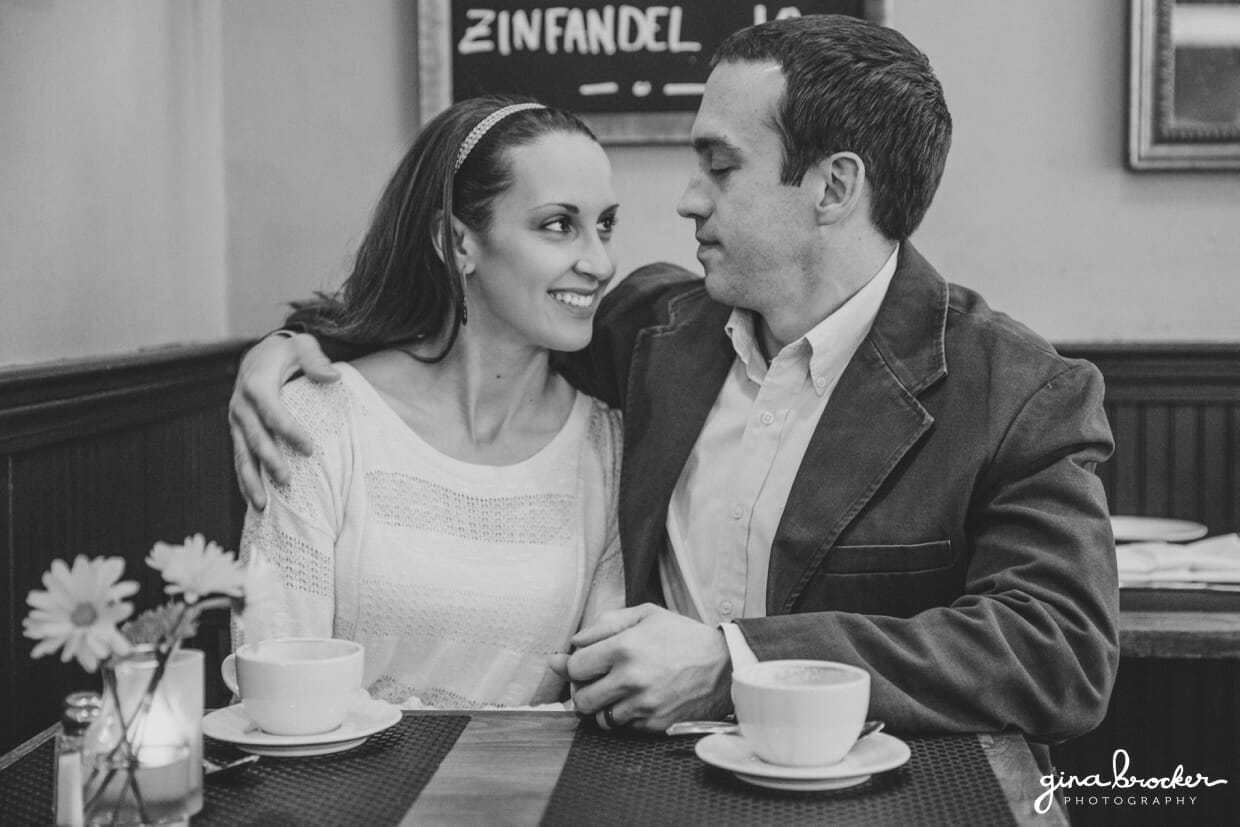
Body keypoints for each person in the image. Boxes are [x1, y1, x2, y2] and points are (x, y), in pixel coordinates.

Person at [231, 15, 1118, 743]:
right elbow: (472, 317)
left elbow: (1059, 655)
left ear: (834, 186)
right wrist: (289, 347)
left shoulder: (1016, 391)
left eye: (721, 166)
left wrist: (739, 663)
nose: (688, 198)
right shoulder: (655, 329)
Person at [233, 95, 625, 709]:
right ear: (457, 243)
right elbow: (275, 681)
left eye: (605, 225)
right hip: (341, 794)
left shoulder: (606, 445)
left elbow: (603, 694)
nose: (599, 262)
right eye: (558, 224)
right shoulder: (322, 421)